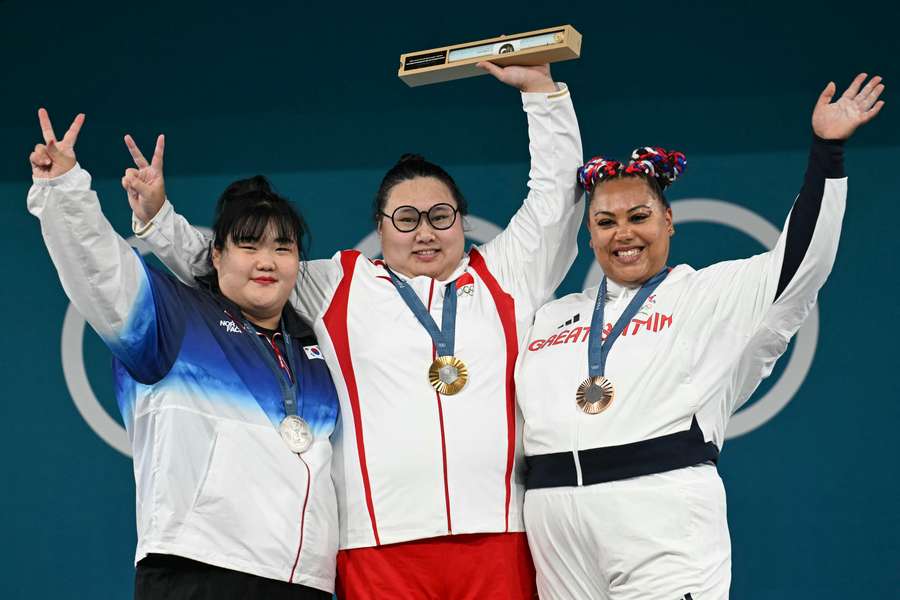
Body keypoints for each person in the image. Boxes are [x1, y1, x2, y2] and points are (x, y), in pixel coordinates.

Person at [126, 61, 583, 598]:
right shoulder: (339, 285)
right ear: (380, 226)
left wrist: (541, 95)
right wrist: (159, 220)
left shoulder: (507, 275)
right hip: (375, 548)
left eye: (440, 216)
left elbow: (554, 197)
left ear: (463, 218)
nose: (425, 233)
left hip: (499, 538)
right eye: (405, 219)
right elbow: (236, 267)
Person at [516, 73, 884, 599]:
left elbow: (802, 262)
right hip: (554, 524)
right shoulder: (553, 317)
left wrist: (828, 153)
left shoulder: (711, 295)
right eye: (605, 221)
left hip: (660, 514)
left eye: (639, 216)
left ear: (669, 220)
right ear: (589, 233)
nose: (623, 233)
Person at [28, 110, 340, 599]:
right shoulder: (175, 318)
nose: (266, 261)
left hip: (306, 581)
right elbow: (101, 269)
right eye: (248, 245)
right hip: (200, 568)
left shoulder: (317, 349)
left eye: (283, 248)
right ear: (215, 255)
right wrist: (64, 189)